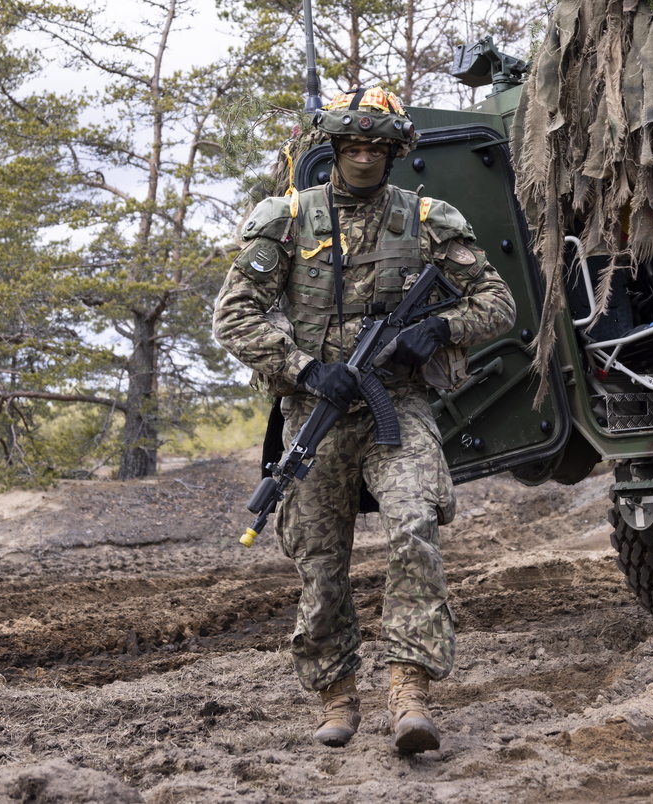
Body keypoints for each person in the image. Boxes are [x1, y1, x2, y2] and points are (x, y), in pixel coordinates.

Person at [212, 87, 515, 753]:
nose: (364, 157)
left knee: (413, 527)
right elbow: (232, 316)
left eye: (377, 147)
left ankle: (408, 690)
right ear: (332, 148)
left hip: (397, 406)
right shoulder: (287, 219)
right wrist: (305, 368)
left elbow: (499, 304)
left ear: (395, 151)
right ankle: (336, 694)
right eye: (353, 145)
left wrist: (435, 329)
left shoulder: (429, 219)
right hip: (314, 409)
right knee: (320, 565)